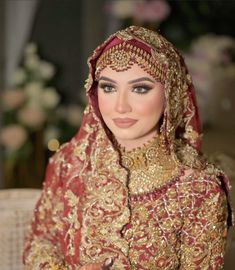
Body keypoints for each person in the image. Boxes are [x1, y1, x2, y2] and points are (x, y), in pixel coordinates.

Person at [23, 25, 233, 270]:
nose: (121, 106)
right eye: (108, 87)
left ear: (170, 93)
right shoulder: (70, 162)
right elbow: (40, 242)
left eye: (140, 88)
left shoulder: (198, 188)